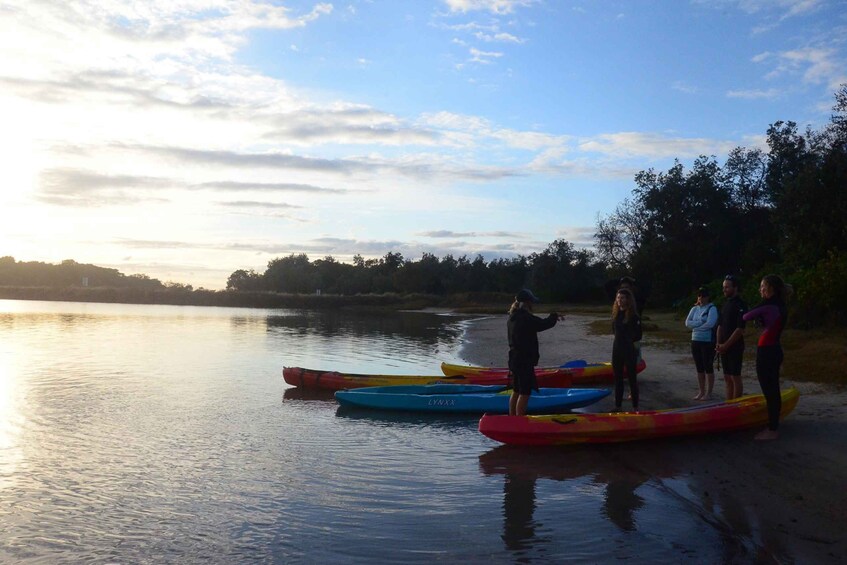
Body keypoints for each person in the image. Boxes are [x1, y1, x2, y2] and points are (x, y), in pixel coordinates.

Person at [742, 274, 792, 440]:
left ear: (771, 289)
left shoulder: (769, 305)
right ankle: (773, 424)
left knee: (769, 390)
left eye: (763, 287)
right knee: (773, 389)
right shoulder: (779, 305)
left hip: (768, 352)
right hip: (774, 350)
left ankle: (772, 430)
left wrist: (758, 313)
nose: (760, 290)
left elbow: (746, 316)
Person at [507, 288, 562, 416]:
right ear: (527, 303)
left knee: (516, 390)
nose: (533, 304)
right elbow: (543, 324)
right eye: (532, 302)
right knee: (525, 392)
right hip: (523, 360)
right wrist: (554, 316)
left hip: (514, 359)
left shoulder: (512, 317)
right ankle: (520, 421)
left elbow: (539, 323)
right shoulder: (525, 318)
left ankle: (511, 419)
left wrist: (553, 317)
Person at [715, 275, 747, 400]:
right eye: (723, 287)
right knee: (727, 377)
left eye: (727, 287)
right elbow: (720, 326)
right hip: (723, 347)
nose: (724, 290)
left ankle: (736, 406)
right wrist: (718, 344)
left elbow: (740, 329)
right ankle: (728, 404)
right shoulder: (725, 304)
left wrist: (726, 345)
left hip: (735, 346)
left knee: (735, 377)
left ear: (735, 288)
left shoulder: (741, 305)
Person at [685, 286, 719, 400]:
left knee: (707, 366)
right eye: (699, 296)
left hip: (707, 341)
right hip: (695, 339)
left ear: (708, 297)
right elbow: (687, 323)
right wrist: (700, 323)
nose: (701, 298)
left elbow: (710, 323)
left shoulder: (712, 308)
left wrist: (696, 326)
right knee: (699, 367)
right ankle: (701, 391)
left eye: (703, 296)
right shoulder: (694, 309)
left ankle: (709, 393)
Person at [611, 288, 642, 412]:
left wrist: (628, 340)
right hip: (617, 349)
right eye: (618, 298)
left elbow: (639, 335)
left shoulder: (634, 316)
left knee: (632, 379)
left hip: (628, 350)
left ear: (628, 299)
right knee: (617, 379)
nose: (619, 300)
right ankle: (618, 406)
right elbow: (614, 331)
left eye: (622, 298)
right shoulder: (616, 314)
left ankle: (635, 407)